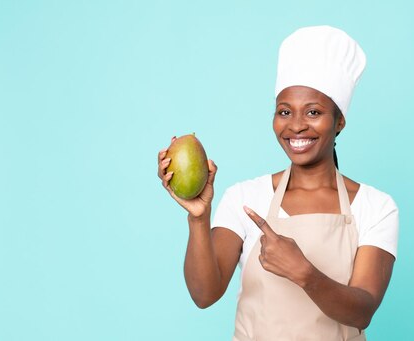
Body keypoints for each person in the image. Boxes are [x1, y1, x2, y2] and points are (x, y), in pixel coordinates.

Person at [157, 25, 399, 340]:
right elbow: (205, 294)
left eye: (313, 112)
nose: (296, 126)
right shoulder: (245, 197)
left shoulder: (375, 206)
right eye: (284, 111)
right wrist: (198, 217)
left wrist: (305, 274)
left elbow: (362, 310)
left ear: (339, 121)